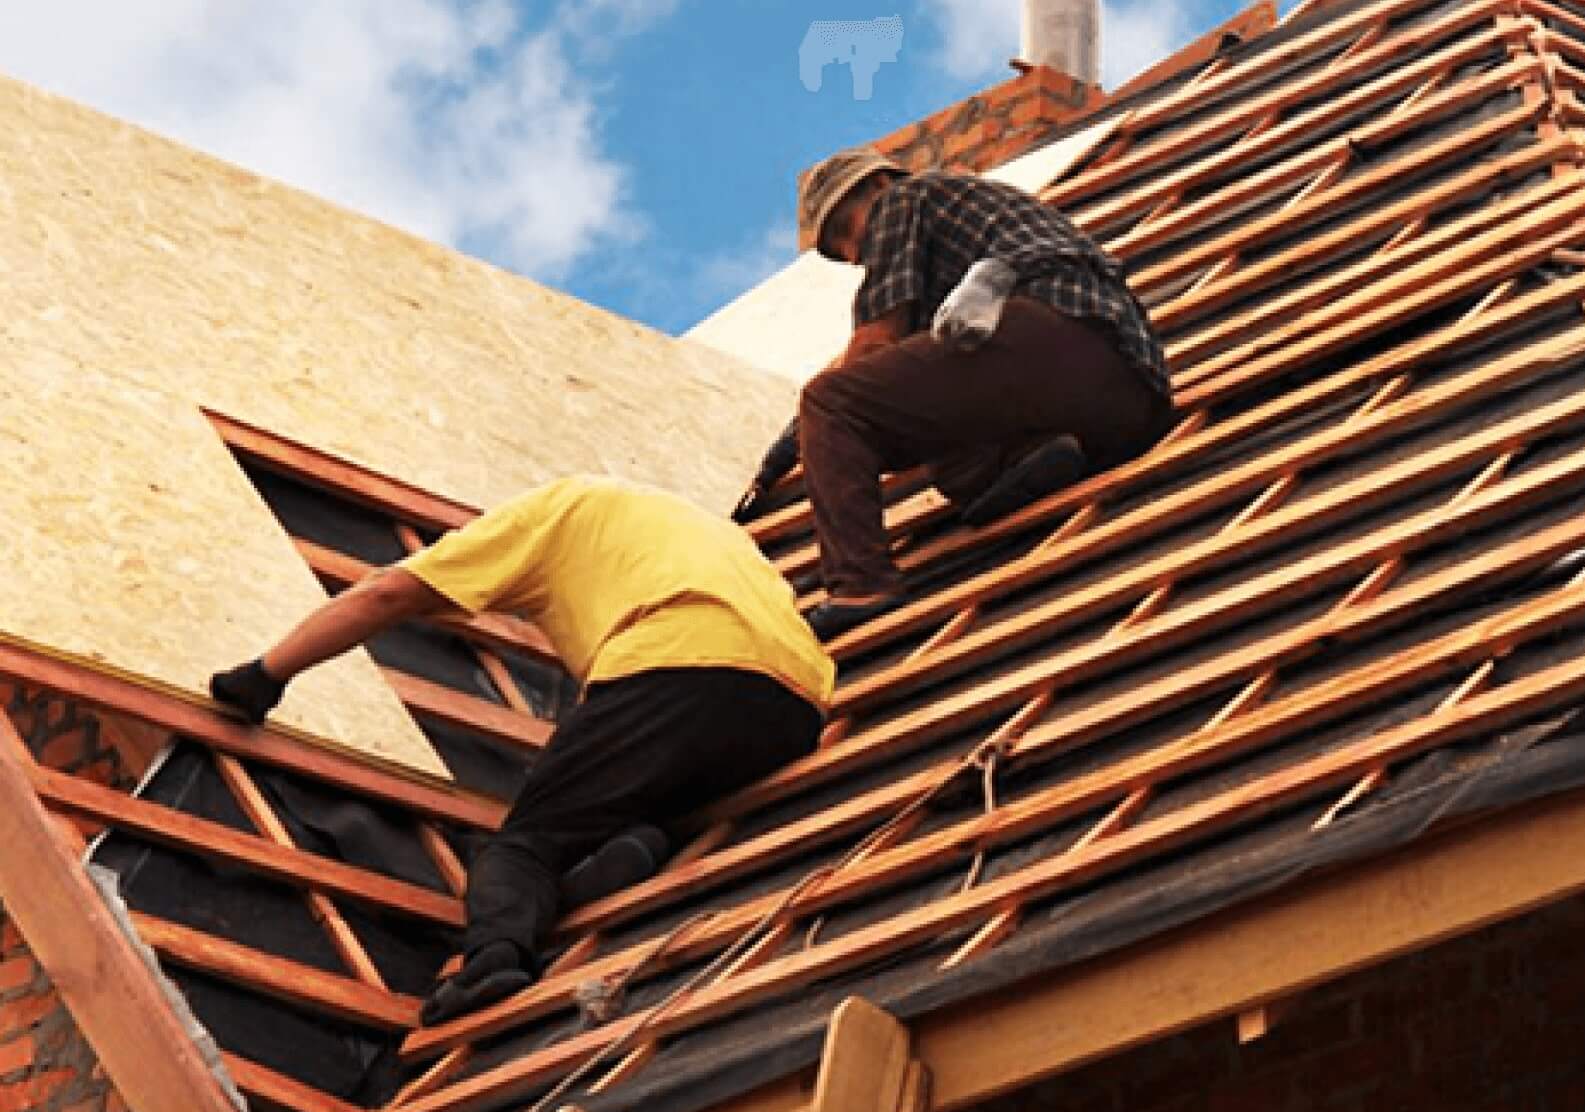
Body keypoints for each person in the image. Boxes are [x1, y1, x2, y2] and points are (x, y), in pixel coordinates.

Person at [210, 476, 833, 1026]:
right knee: (627, 796)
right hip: (797, 704)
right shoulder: (683, 529)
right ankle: (630, 849)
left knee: (520, 847)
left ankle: (493, 960)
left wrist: (265, 674)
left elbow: (385, 595)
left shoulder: (545, 514)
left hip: (677, 659)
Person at [737, 149, 1174, 639]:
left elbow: (875, 343)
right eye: (841, 253)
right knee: (945, 454)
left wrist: (809, 427)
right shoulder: (961, 228)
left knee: (830, 401)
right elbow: (912, 374)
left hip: (1050, 335)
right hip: (1130, 401)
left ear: (878, 185)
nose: (855, 253)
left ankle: (860, 585)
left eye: (845, 229)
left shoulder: (904, 199)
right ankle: (1031, 456)